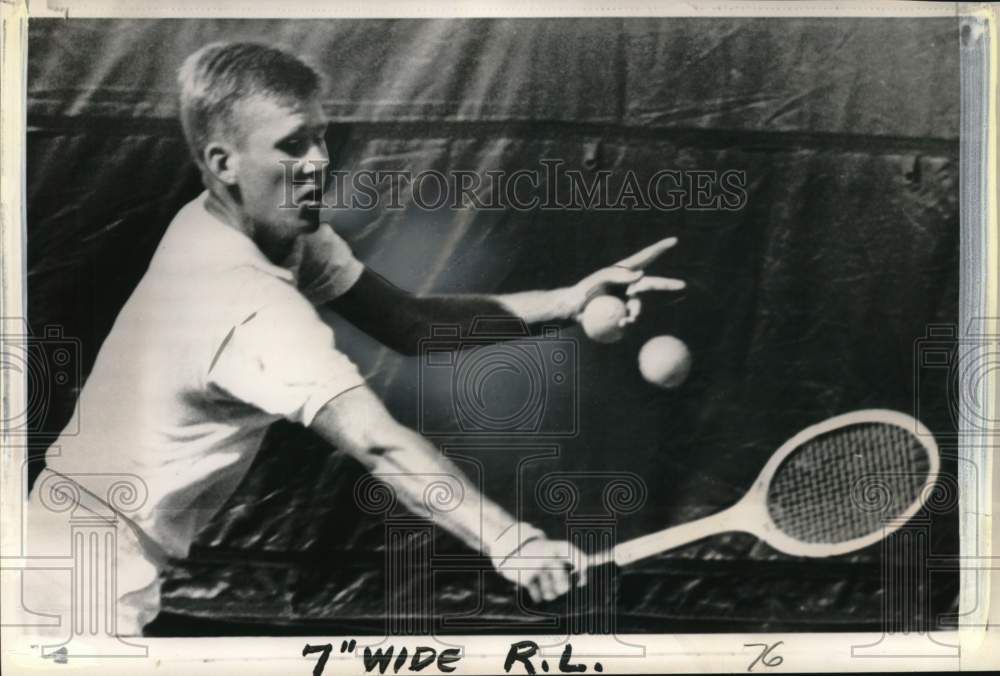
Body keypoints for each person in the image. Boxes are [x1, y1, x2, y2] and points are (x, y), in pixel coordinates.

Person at [20, 41, 684, 638]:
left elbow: (410, 324)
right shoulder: (239, 299)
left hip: (91, 545)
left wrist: (568, 302)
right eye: (291, 146)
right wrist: (511, 541)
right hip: (79, 575)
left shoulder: (274, 231)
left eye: (321, 138)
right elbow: (377, 442)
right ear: (223, 162)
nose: (318, 162)